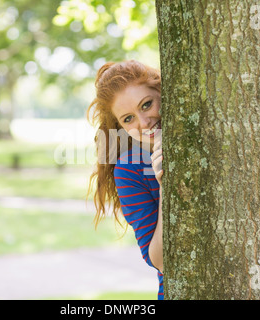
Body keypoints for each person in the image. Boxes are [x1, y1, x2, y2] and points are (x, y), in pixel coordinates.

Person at [87, 60, 164, 300]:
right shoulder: (129, 169)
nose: (143, 123)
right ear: (119, 126)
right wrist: (166, 188)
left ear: (161, 91)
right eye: (128, 119)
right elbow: (160, 261)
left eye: (147, 104)